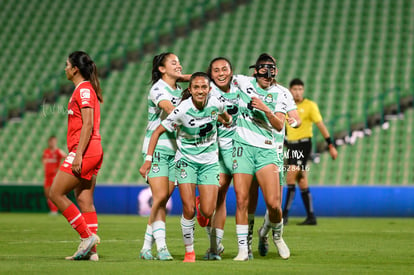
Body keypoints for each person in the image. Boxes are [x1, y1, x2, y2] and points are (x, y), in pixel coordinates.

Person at [140, 72, 232, 262]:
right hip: (186, 162)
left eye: (204, 87)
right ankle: (189, 251)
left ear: (209, 89)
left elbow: (226, 117)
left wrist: (226, 121)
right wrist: (148, 159)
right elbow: (157, 131)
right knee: (188, 209)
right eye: (196, 87)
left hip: (209, 164)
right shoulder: (181, 110)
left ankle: (202, 207)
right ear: (189, 90)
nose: (200, 91)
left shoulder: (216, 103)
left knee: (207, 211)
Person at [231, 53, 290, 261]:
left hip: (267, 149)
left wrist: (266, 109)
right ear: (256, 71)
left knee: (274, 204)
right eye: (263, 71)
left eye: (271, 72)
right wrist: (180, 77)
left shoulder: (281, 93)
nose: (267, 76)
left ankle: (277, 235)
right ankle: (243, 246)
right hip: (243, 147)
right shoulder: (242, 81)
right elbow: (216, 76)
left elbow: (279, 124)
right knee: (243, 199)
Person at [49, 51, 103, 261]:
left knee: (55, 193)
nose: (65, 68)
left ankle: (86, 237)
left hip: (86, 150)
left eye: (67, 65)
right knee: (84, 199)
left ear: (75, 69)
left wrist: (78, 154)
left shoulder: (84, 90)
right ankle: (92, 253)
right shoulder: (84, 90)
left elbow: (88, 124)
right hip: (92, 150)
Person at [139, 52, 184, 261]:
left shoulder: (180, 89)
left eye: (179, 62)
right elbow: (168, 108)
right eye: (173, 63)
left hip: (175, 150)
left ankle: (147, 246)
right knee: (159, 198)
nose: (179, 65)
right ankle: (162, 247)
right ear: (162, 69)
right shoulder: (158, 89)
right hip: (156, 147)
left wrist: (187, 77)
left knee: (163, 199)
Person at [198, 57, 240, 259]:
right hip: (218, 152)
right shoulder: (208, 91)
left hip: (242, 150)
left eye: (224, 69)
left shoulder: (242, 86)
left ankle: (247, 245)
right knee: (219, 197)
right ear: (210, 74)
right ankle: (215, 247)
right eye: (216, 70)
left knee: (245, 198)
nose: (221, 73)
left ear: (231, 72)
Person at [283, 78, 338, 225]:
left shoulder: (310, 106)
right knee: (301, 180)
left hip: (304, 144)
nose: (298, 92)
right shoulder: (287, 106)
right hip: (291, 145)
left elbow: (320, 125)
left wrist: (330, 145)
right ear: (290, 90)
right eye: (295, 89)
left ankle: (284, 216)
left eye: (300, 89)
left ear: (303, 90)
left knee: (290, 176)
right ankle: (311, 216)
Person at [42, 136, 67, 215]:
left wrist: (59, 168)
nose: (52, 143)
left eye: (53, 141)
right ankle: (53, 209)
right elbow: (44, 161)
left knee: (53, 193)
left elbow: (66, 157)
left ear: (55, 142)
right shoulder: (46, 151)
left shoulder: (58, 151)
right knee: (47, 193)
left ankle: (54, 210)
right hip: (47, 176)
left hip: (54, 175)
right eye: (51, 141)